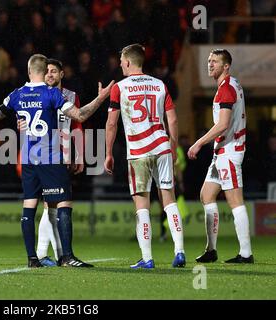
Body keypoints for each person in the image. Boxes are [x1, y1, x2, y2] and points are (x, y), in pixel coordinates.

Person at [0, 53, 114, 268]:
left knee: (29, 206)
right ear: (43, 71)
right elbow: (80, 116)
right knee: (63, 204)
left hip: (29, 160)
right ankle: (66, 256)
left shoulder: (16, 94)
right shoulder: (51, 94)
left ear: (30, 71)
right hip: (50, 158)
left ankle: (32, 258)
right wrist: (101, 98)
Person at [104, 44, 186, 269]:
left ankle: (147, 258)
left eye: (122, 60)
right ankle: (179, 251)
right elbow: (174, 120)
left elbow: (112, 123)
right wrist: (173, 146)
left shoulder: (119, 88)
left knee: (142, 206)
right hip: (161, 148)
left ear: (128, 62)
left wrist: (109, 153)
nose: (120, 64)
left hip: (138, 152)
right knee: (168, 200)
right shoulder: (160, 84)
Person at [188, 49, 253, 263]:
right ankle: (211, 250)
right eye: (208, 61)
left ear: (226, 66)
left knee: (235, 201)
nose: (210, 64)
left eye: (215, 61)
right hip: (222, 153)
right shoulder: (230, 85)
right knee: (206, 195)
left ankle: (246, 253)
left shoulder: (226, 88)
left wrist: (198, 143)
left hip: (230, 152)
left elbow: (223, 125)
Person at [25, 59, 84, 267]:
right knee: (51, 203)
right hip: (41, 155)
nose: (49, 75)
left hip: (62, 154)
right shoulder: (37, 95)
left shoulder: (71, 96)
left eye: (53, 71)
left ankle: (48, 254)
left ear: (62, 74)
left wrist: (79, 155)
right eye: (47, 71)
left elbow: (77, 125)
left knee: (51, 205)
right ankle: (51, 254)